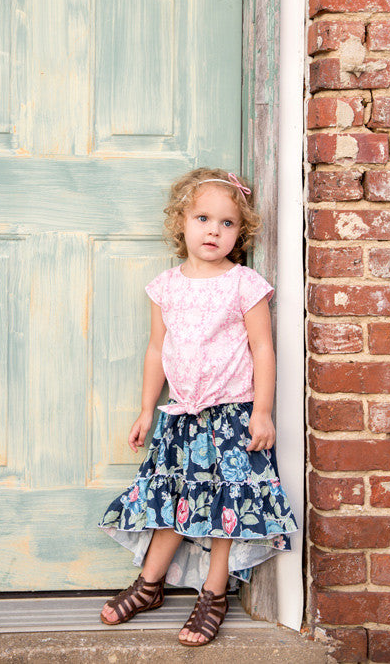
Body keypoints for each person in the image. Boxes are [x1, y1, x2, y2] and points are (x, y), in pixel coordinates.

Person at [98, 167, 297, 647]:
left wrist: (263, 411)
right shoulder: (165, 286)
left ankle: (213, 593)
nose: (214, 230)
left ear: (239, 233)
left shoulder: (244, 284)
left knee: (224, 507)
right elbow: (155, 351)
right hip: (181, 417)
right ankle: (150, 585)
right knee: (170, 502)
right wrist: (148, 409)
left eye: (227, 223)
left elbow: (263, 350)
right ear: (180, 224)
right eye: (203, 218)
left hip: (231, 415)